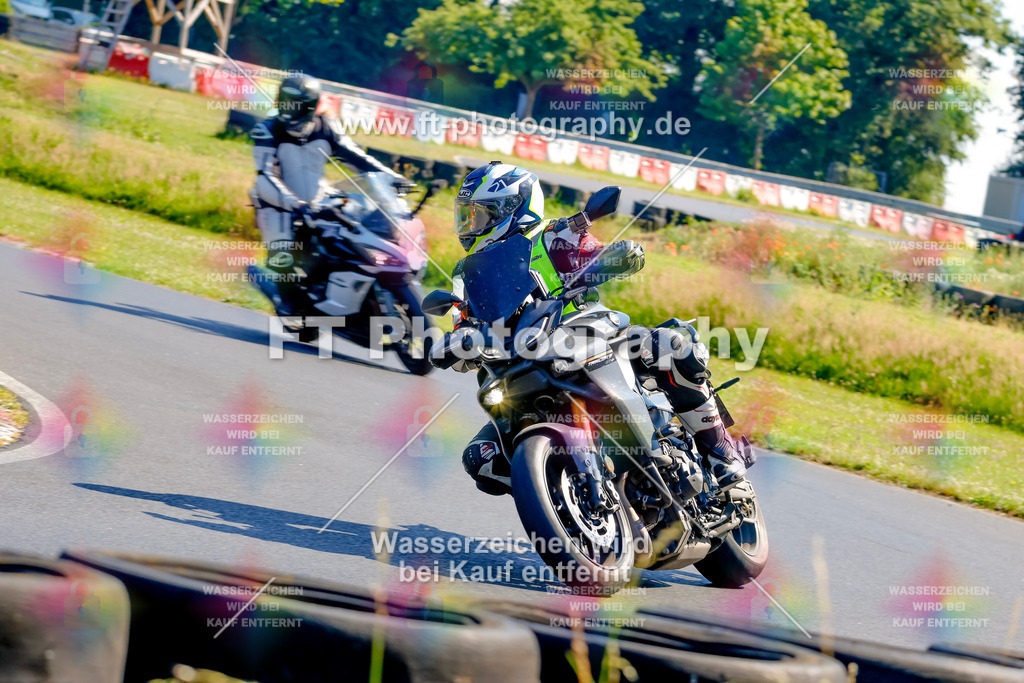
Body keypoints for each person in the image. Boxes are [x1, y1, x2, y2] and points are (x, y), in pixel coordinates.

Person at [443, 162, 749, 496]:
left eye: (481, 214)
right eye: (468, 215)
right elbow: (463, 320)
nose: (472, 224)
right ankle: (564, 498)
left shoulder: (555, 235)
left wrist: (610, 259)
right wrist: (454, 343)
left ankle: (721, 453)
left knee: (671, 346)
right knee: (481, 459)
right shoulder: (467, 271)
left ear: (513, 207)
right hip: (519, 369)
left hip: (588, 334)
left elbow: (594, 254)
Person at [249, 74, 412, 315]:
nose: (288, 108)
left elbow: (357, 158)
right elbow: (265, 175)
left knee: (354, 230)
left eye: (295, 103)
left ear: (310, 106)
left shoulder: (326, 127)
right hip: (277, 205)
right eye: (284, 101)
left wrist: (393, 178)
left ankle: (345, 290)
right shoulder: (267, 130)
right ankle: (288, 303)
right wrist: (294, 204)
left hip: (319, 197)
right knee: (283, 253)